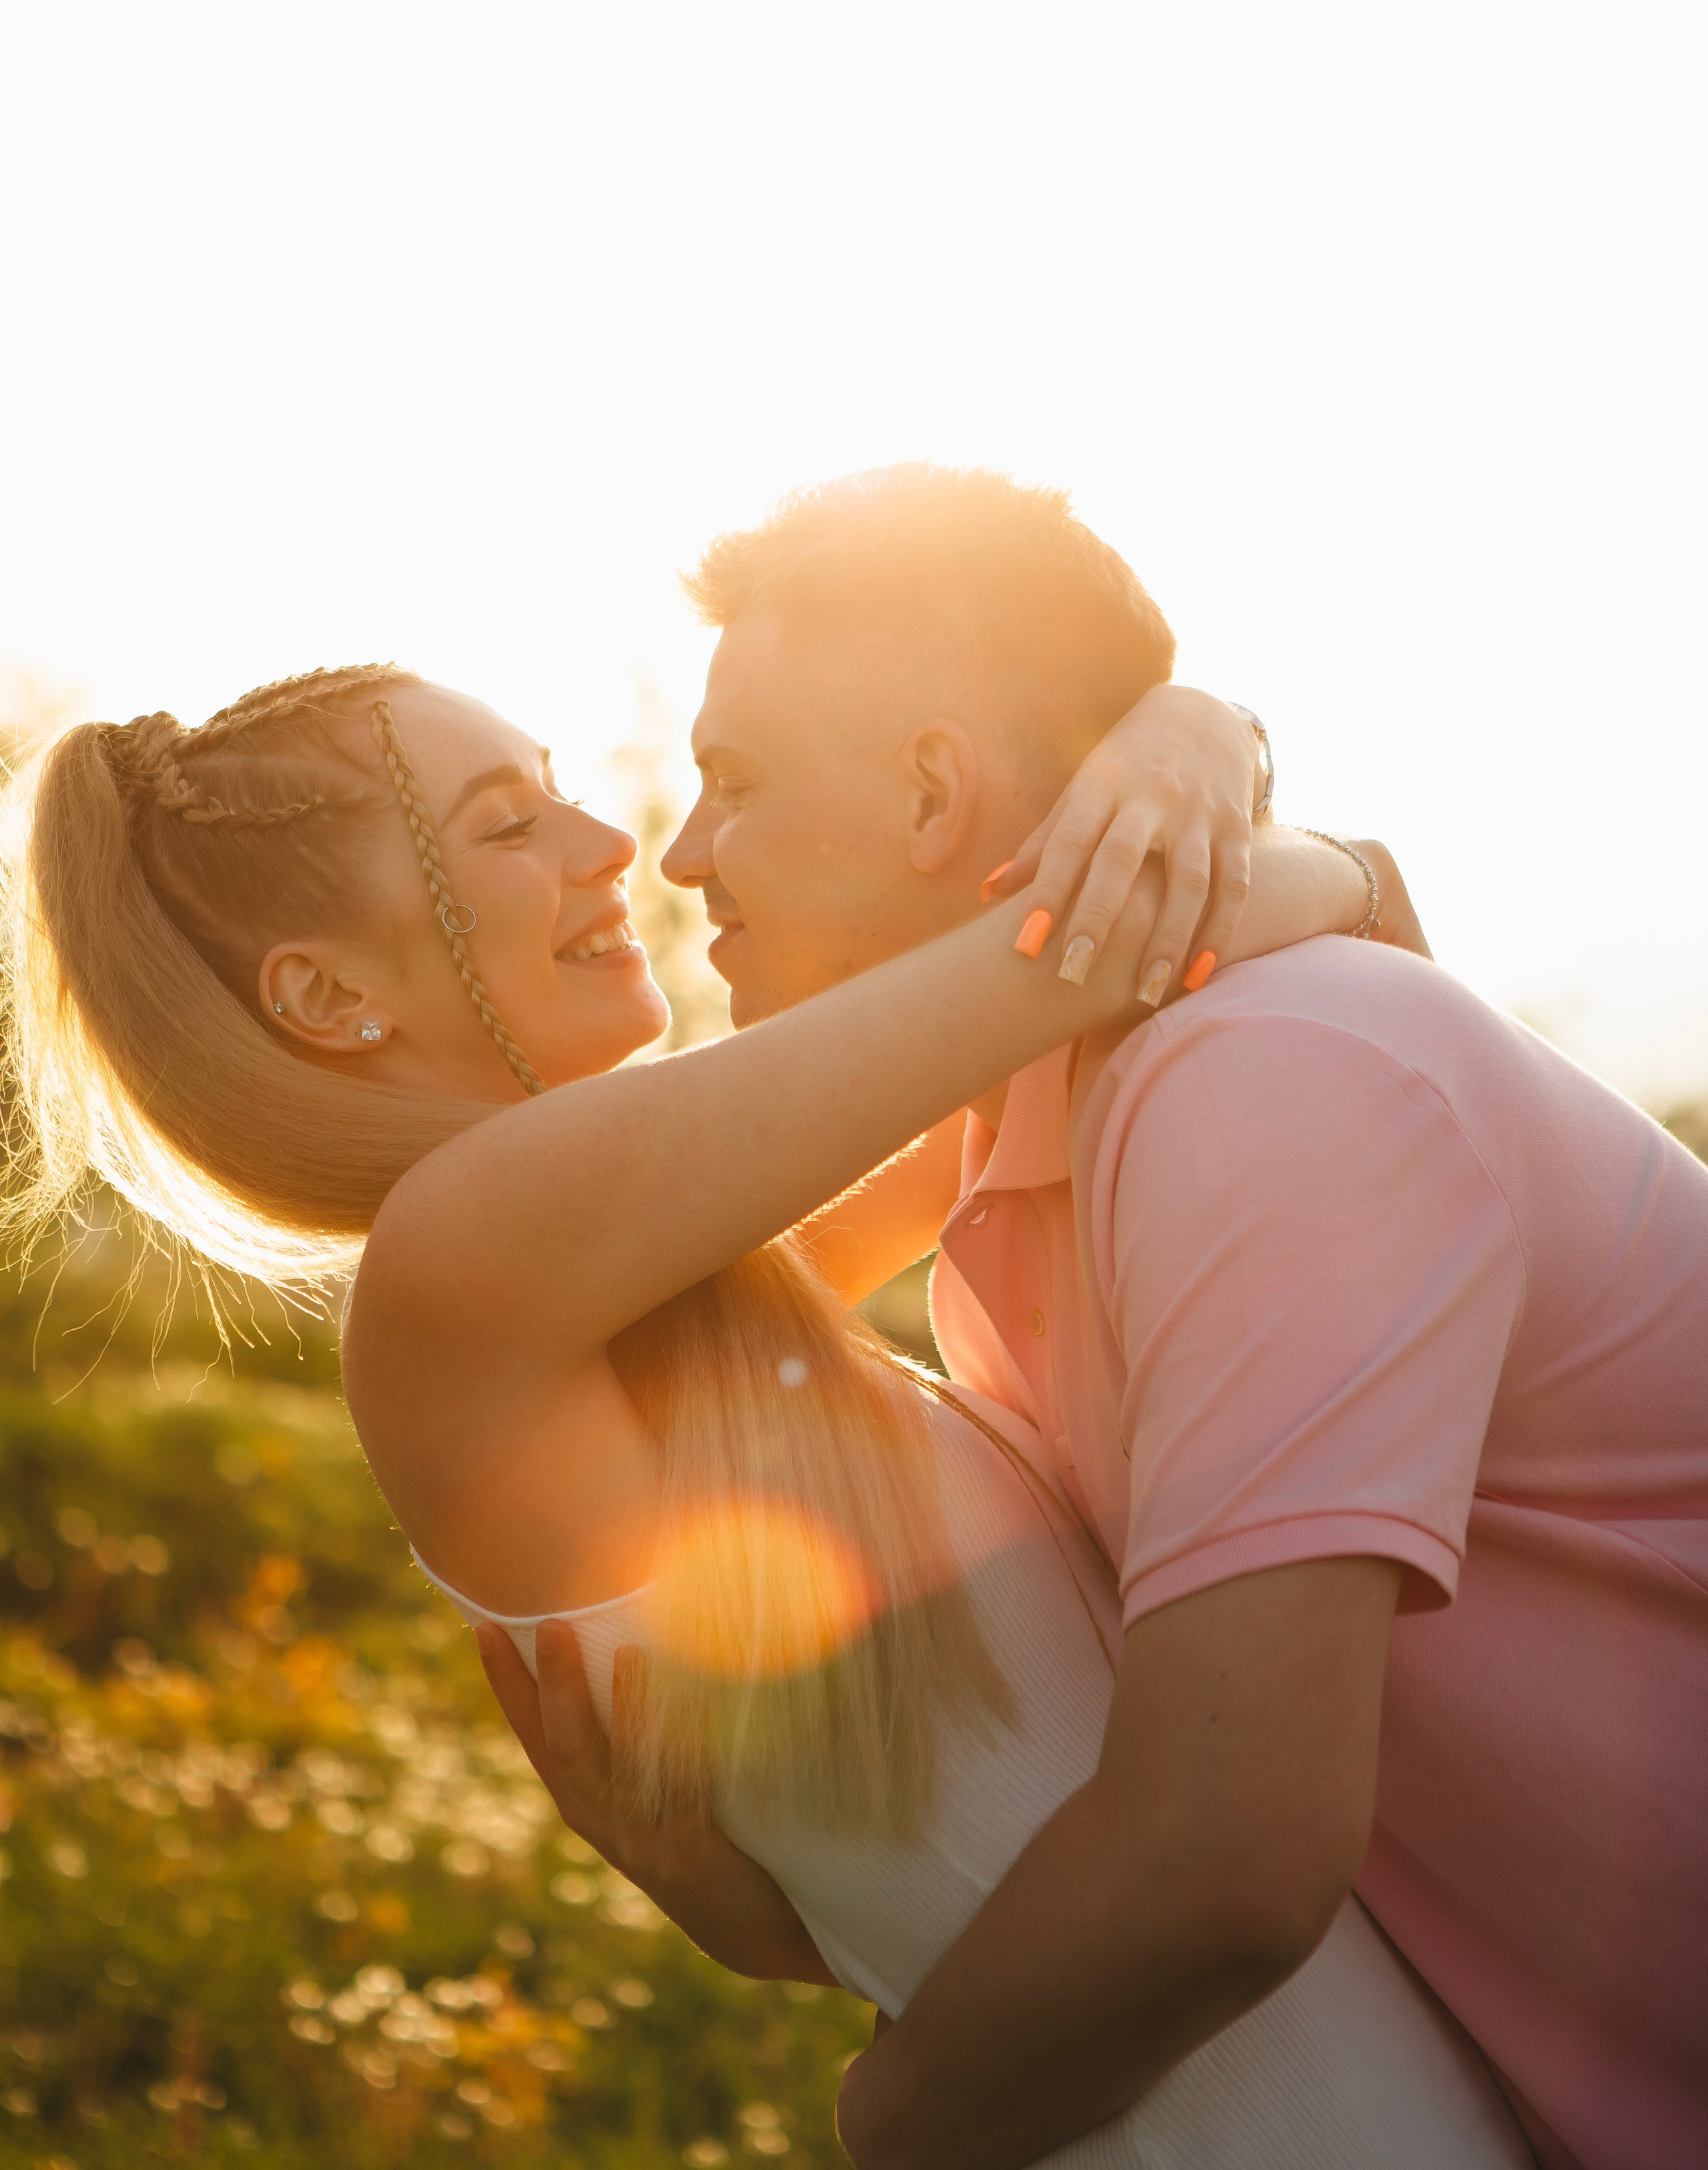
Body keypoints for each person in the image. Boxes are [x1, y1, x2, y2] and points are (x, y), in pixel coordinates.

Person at [0, 648, 1523, 2166]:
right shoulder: (459, 1257)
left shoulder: (687, 1298)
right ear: (328, 993)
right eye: (504, 824)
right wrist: (1255, 795)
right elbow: (1088, 951)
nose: (620, 847)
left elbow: (1068, 994)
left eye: (557, 791)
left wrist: (1197, 748)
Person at [510, 462, 1698, 2170]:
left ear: (934, 790)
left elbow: (1220, 1860)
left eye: (733, 779)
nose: (685, 854)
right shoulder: (1022, 1130)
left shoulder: (1261, 1080)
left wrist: (892, 2123)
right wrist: (743, 1887)